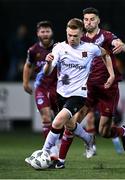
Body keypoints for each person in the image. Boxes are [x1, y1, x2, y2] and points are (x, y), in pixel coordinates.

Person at [26, 18, 115, 169]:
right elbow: (48, 72)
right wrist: (48, 62)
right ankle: (88, 138)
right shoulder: (59, 48)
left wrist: (111, 74)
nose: (72, 38)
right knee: (71, 125)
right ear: (66, 33)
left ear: (82, 34)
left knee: (57, 122)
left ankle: (44, 152)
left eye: (75, 35)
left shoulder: (91, 48)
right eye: (69, 35)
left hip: (79, 95)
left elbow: (105, 54)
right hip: (61, 94)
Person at [56, 7, 125, 167]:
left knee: (104, 131)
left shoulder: (105, 36)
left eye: (92, 19)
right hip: (87, 88)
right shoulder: (78, 38)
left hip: (107, 88)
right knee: (71, 123)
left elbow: (119, 44)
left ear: (98, 20)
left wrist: (122, 45)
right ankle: (60, 161)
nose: (89, 22)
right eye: (86, 19)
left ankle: (122, 131)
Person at [23, 21, 60, 162]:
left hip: (58, 88)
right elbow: (28, 66)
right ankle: (51, 150)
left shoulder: (59, 48)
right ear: (38, 33)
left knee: (59, 119)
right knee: (46, 117)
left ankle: (58, 143)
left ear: (52, 32)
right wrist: (25, 82)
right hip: (42, 87)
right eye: (42, 32)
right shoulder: (33, 50)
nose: (45, 34)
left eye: (47, 31)